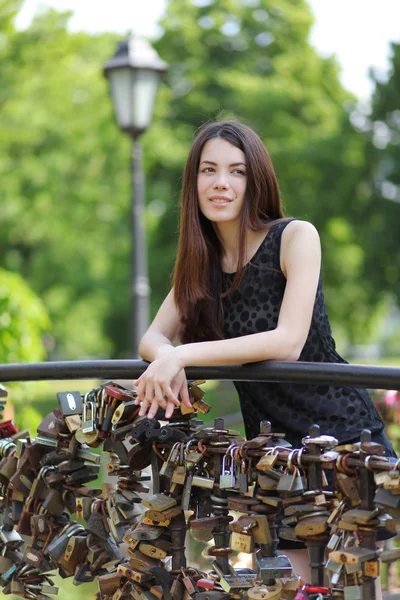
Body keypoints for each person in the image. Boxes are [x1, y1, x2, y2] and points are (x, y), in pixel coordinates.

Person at [133, 119, 396, 590]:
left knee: (371, 584)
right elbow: (151, 338)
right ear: (193, 181)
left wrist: (181, 354)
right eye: (209, 170)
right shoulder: (201, 266)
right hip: (273, 460)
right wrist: (168, 356)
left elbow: (288, 342)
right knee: (289, 590)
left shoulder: (296, 237)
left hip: (340, 442)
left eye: (236, 172)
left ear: (256, 181)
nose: (221, 183)